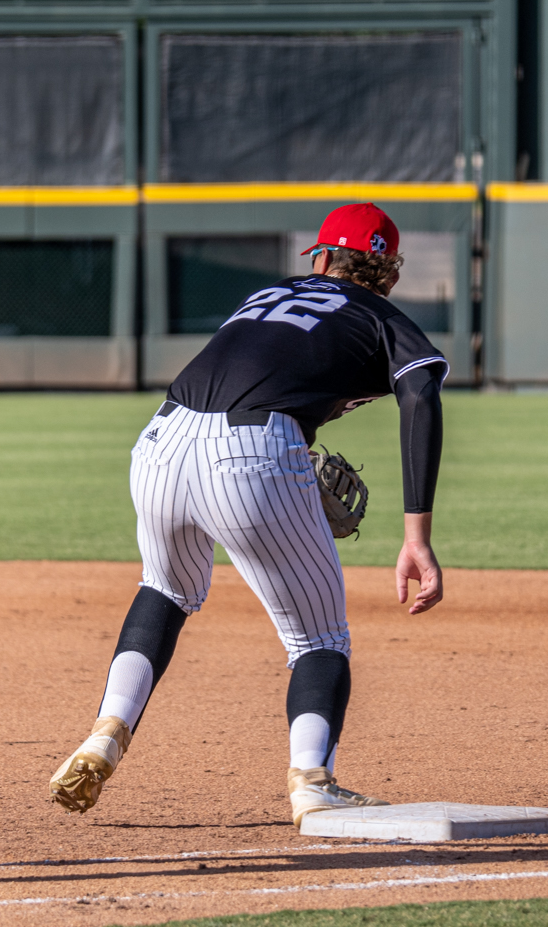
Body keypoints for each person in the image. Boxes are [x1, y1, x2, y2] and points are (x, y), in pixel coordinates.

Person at [49, 203, 446, 828]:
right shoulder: (381, 315)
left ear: (319, 259)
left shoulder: (269, 293)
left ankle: (106, 732)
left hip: (160, 440)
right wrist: (416, 535)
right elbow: (420, 390)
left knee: (166, 590)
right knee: (318, 639)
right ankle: (313, 782)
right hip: (254, 452)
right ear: (388, 273)